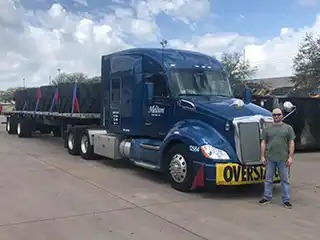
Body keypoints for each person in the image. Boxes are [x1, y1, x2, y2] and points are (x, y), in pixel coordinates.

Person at [258, 107, 296, 209]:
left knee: (285, 180)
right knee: (268, 179)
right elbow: (263, 142)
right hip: (270, 158)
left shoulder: (288, 128)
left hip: (283, 158)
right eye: (274, 115)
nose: (276, 116)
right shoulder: (267, 129)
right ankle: (267, 197)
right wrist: (262, 156)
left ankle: (286, 200)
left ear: (282, 115)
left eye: (278, 114)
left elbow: (291, 142)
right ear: (272, 116)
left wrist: (290, 157)